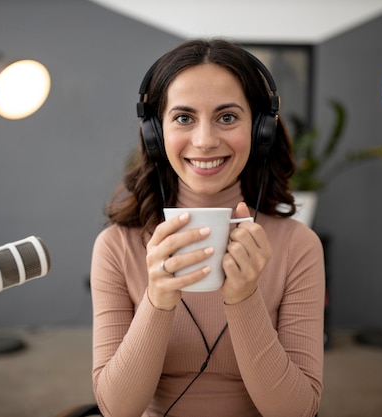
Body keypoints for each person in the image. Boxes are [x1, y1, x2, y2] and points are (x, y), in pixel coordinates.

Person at [91, 39, 325, 417]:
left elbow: (296, 412)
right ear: (155, 133)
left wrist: (245, 299)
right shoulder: (117, 246)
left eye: (227, 117)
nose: (204, 141)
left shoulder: (299, 246)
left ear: (261, 129)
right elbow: (116, 410)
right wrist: (158, 301)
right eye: (184, 118)